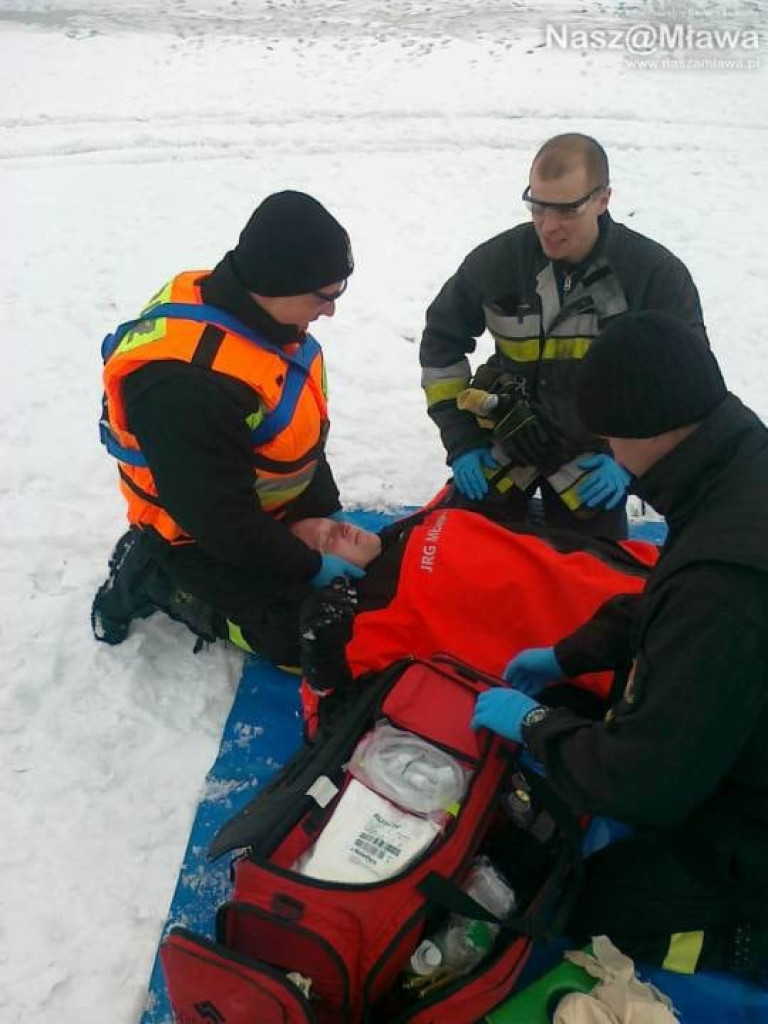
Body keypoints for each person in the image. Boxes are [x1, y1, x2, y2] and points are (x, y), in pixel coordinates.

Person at [472, 311, 768, 982]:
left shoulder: (725, 585)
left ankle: (744, 940)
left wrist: (538, 725)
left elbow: (645, 781)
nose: (607, 451)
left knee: (578, 900)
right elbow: (673, 598)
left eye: (607, 435)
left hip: (752, 828)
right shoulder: (741, 466)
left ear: (650, 429)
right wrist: (575, 653)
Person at [91, 190, 361, 666]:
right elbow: (222, 523)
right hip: (198, 533)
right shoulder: (185, 390)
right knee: (301, 643)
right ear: (280, 282)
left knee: (350, 611)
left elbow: (296, 432)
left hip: (251, 501)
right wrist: (311, 565)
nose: (332, 311)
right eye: (326, 295)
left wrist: (325, 510)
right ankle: (160, 579)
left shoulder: (268, 322)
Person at [419, 133, 707, 539]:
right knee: (461, 563)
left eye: (567, 210)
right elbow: (440, 348)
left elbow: (686, 385)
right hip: (504, 446)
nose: (548, 226)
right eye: (538, 205)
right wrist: (463, 442)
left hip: (591, 466)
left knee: (595, 583)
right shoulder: (496, 264)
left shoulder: (652, 277)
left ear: (603, 199)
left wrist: (628, 464)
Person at [290, 504, 657, 707]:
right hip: (625, 665)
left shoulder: (419, 522)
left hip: (649, 578)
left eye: (331, 522)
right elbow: (325, 710)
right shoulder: (371, 621)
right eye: (325, 542)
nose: (338, 529)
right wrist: (319, 654)